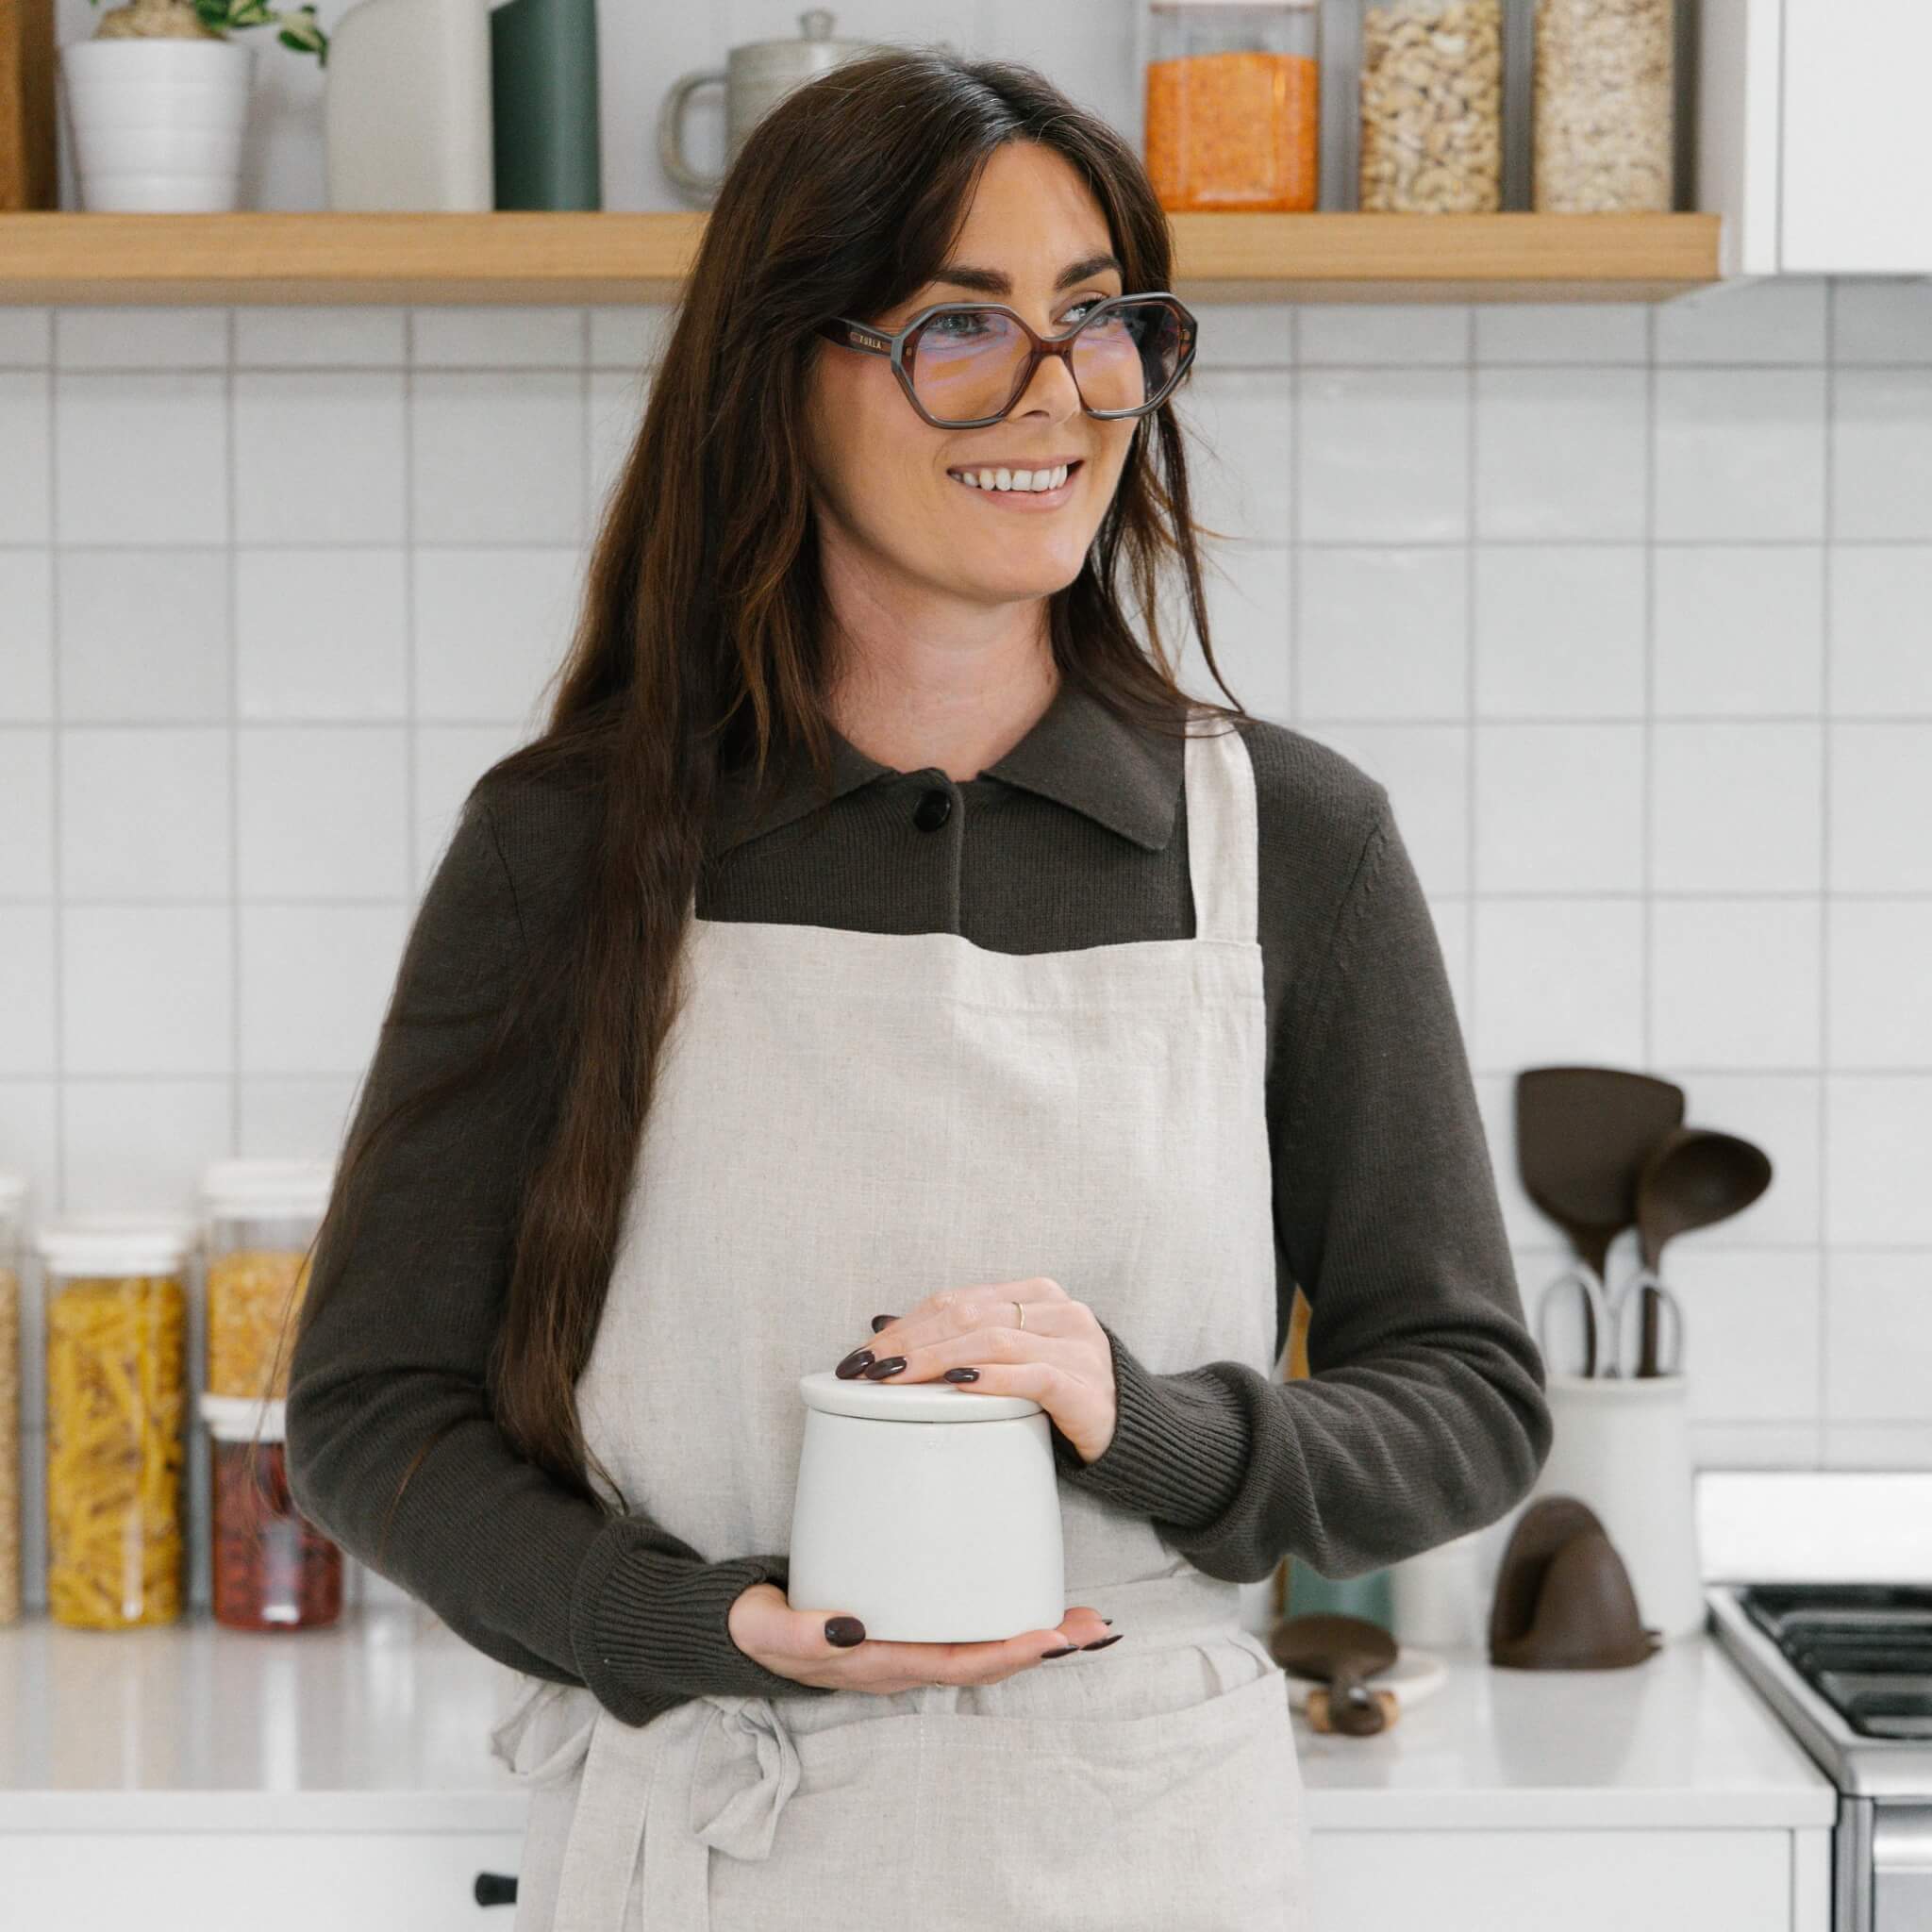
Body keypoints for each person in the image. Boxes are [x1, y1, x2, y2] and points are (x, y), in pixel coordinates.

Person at [281, 46, 1552, 1932]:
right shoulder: (569, 844)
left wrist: (1150, 1415)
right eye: (960, 327)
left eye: (1097, 320)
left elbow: (1467, 1397)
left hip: (1147, 1852)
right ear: (780, 378)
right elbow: (370, 1410)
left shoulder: (1293, 841)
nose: (1055, 396)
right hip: (724, 1841)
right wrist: (676, 1618)